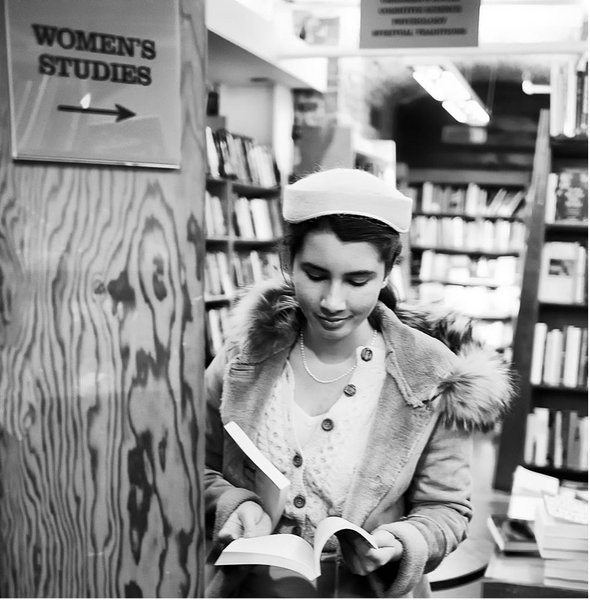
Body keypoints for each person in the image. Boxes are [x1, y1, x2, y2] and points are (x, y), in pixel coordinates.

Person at [204, 168, 514, 598]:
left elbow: (446, 510)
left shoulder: (433, 378)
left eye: (357, 281)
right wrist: (232, 506)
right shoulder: (242, 359)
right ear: (286, 262)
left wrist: (401, 544)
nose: (333, 301)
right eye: (314, 274)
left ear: (387, 273)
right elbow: (195, 470)